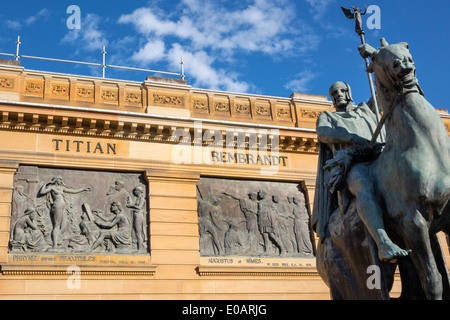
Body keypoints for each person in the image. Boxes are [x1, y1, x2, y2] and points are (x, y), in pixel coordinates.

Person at [313, 81, 410, 262]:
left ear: (349, 92)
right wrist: (353, 138)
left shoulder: (366, 110)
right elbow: (323, 133)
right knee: (363, 185)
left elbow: (383, 90)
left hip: (379, 156)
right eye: (334, 93)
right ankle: (383, 243)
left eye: (342, 91)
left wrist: (375, 59)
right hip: (352, 163)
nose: (338, 95)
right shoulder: (327, 116)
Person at [40, 176, 91, 249]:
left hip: (62, 207)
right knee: (57, 226)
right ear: (56, 180)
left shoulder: (61, 188)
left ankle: (58, 240)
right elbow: (42, 192)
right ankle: (55, 245)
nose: (61, 180)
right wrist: (47, 183)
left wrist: (83, 189)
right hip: (57, 206)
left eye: (61, 179)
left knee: (64, 226)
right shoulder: (52, 188)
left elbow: (73, 191)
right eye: (60, 179)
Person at [126, 186, 147, 253]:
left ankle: (140, 249)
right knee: (135, 232)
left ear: (139, 191)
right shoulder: (137, 199)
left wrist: (131, 206)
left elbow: (139, 207)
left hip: (139, 215)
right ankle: (140, 247)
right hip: (136, 215)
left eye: (136, 190)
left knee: (138, 233)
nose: (134, 192)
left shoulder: (142, 199)